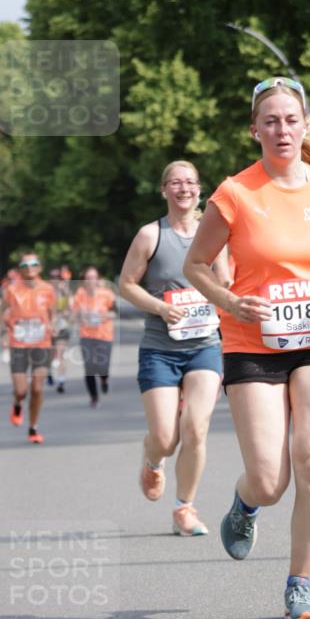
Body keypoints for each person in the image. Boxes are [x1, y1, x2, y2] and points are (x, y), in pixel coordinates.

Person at [185, 76, 310, 619]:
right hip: (252, 342)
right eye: (271, 121)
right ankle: (245, 505)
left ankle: (300, 586)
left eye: (291, 119)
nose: (282, 129)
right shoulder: (234, 193)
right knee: (270, 479)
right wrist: (230, 301)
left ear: (304, 125)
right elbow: (195, 265)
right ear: (255, 130)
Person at [119, 160, 230, 537]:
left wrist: (225, 297)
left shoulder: (214, 235)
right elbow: (127, 285)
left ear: (200, 189)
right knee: (167, 437)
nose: (184, 188)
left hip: (205, 345)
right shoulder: (150, 235)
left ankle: (185, 508)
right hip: (159, 348)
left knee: (196, 427)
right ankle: (153, 460)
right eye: (175, 183)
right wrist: (160, 307)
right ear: (164, 190)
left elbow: (225, 282)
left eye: (190, 182)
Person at [0, 252, 56, 444]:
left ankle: (33, 427)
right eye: (25, 264)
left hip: (42, 344)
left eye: (33, 263)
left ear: (40, 267)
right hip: (19, 345)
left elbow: (53, 313)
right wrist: (4, 331)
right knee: (22, 390)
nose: (29, 267)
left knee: (38, 389)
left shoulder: (48, 289)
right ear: (20, 269)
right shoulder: (11, 289)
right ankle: (17, 403)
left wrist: (54, 326)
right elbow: (1, 310)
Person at [71, 267, 116, 407]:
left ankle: (104, 379)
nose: (91, 281)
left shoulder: (107, 294)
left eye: (93, 278)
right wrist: (80, 315)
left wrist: (104, 315)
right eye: (88, 278)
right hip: (86, 335)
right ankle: (94, 397)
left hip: (104, 335)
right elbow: (73, 316)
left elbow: (114, 313)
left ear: (98, 279)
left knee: (103, 366)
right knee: (89, 366)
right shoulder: (80, 294)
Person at [48, 268, 72, 392]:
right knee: (50, 355)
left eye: (57, 277)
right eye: (52, 277)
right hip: (48, 328)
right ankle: (49, 372)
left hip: (62, 327)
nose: (55, 280)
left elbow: (70, 310)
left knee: (60, 354)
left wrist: (63, 313)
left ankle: (61, 381)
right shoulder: (45, 292)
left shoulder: (65, 293)